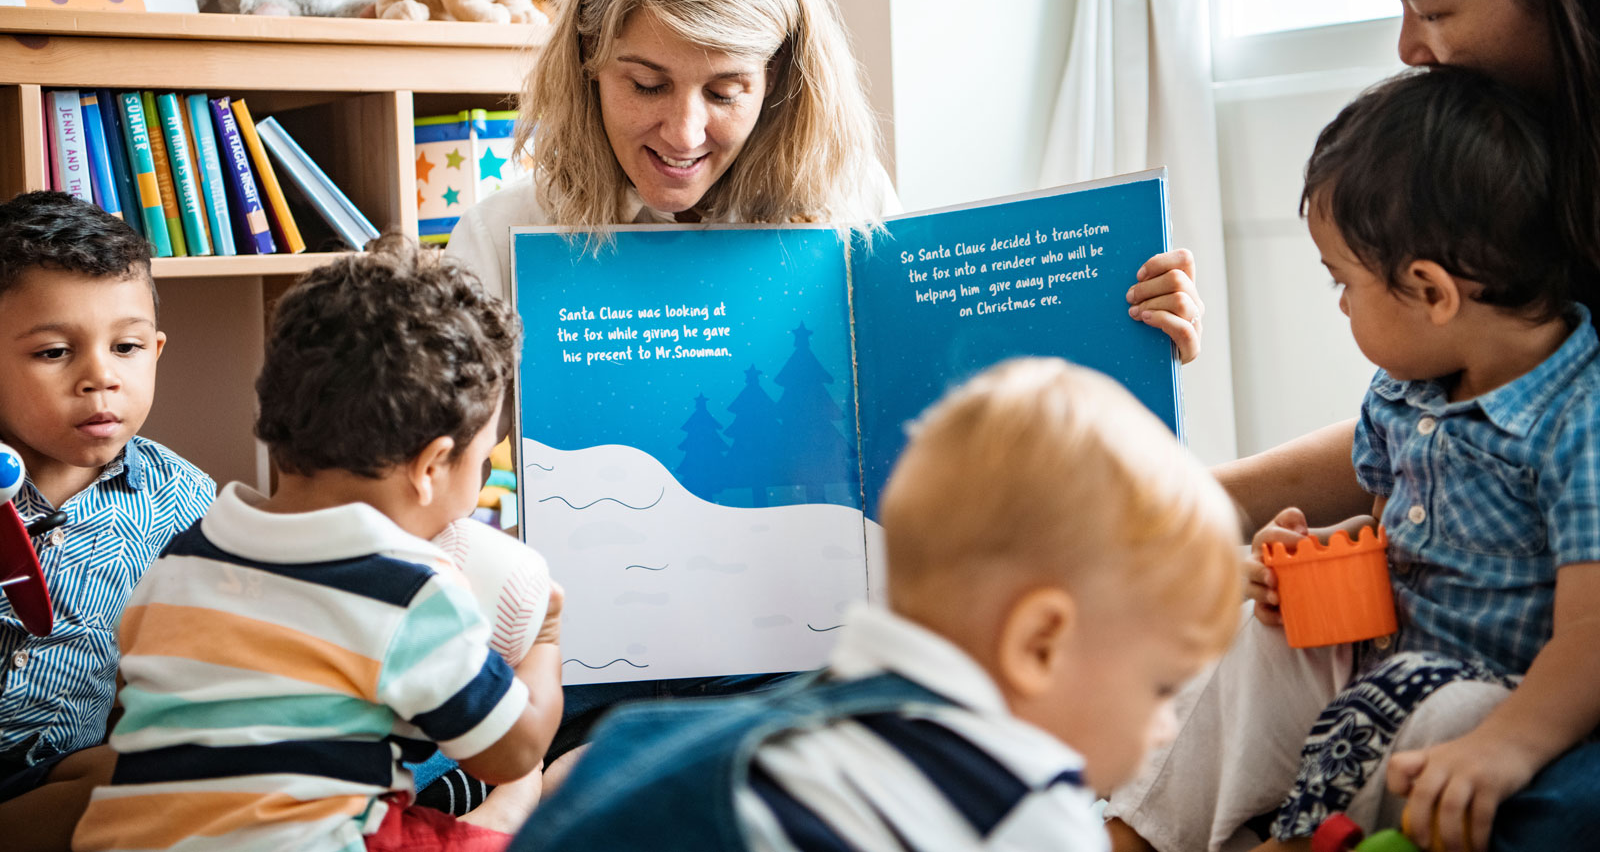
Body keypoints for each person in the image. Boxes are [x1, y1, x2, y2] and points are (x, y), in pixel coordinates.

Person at [444, 0, 1209, 782]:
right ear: (586, 62)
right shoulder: (508, 234)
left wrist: (1121, 332)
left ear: (778, 80)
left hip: (826, 660)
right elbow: (433, 477)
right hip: (606, 680)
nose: (683, 130)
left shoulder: (845, 206)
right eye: (645, 83)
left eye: (726, 90)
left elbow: (959, 407)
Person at [1211, 0, 1600, 846]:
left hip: (1542, 655)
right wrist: (1221, 505)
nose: (1408, 47)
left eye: (1428, 5)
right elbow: (1446, 433)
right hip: (1433, 653)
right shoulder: (1519, 160)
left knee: (1515, 792)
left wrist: (1513, 730)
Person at [1108, 68, 1600, 852]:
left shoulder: (1578, 417)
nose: (1339, 305)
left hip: (1490, 690)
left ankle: (1309, 838)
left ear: (1431, 292)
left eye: (1344, 283)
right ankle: (1139, 827)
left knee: (1454, 721)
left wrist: (1508, 743)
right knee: (1255, 640)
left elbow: (1591, 631)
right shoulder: (1404, 391)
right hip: (1377, 653)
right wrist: (1309, 568)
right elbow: (1380, 544)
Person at [507, 356, 1240, 852]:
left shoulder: (692, 740)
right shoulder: (1022, 811)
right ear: (1040, 643)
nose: (1162, 730)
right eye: (1162, 689)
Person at [70, 237, 564, 852]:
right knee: (527, 798)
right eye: (481, 461)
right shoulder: (412, 591)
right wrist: (542, 641)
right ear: (432, 466)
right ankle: (518, 812)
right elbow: (512, 748)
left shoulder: (178, 559)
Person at [0, 192, 215, 852]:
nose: (101, 378)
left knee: (168, 784)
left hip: (59, 764)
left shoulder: (178, 496)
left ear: (156, 349)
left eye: (125, 347)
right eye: (54, 353)